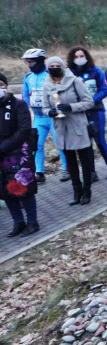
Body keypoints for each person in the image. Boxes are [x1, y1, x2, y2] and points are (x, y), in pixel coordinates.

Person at [41, 57, 95, 205]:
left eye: (57, 65)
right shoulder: (47, 85)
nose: (54, 68)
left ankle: (87, 191)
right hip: (60, 128)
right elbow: (44, 107)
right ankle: (76, 191)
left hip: (77, 126)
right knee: (70, 163)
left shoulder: (75, 81)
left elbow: (89, 102)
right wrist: (49, 112)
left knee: (85, 161)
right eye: (51, 66)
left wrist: (71, 107)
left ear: (63, 67)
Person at [0, 73, 39, 236]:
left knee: (23, 188)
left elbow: (24, 129)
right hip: (1, 156)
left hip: (18, 153)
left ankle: (32, 222)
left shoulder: (18, 104)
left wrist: (4, 146)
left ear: (6, 86)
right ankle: (18, 222)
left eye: (1, 84)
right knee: (5, 190)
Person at [21, 49, 68, 183]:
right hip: (38, 118)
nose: (29, 64)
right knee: (37, 145)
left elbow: (57, 93)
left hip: (52, 116)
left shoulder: (49, 75)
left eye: (31, 62)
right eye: (27, 62)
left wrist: (58, 110)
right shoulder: (28, 77)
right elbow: (25, 96)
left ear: (41, 61)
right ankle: (39, 172)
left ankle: (66, 169)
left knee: (60, 143)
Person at [68, 47, 107, 180]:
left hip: (96, 110)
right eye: (76, 57)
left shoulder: (96, 71)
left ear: (87, 56)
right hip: (79, 113)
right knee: (85, 143)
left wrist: (91, 101)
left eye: (81, 56)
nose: (79, 59)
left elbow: (104, 89)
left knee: (100, 140)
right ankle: (91, 171)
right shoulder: (70, 74)